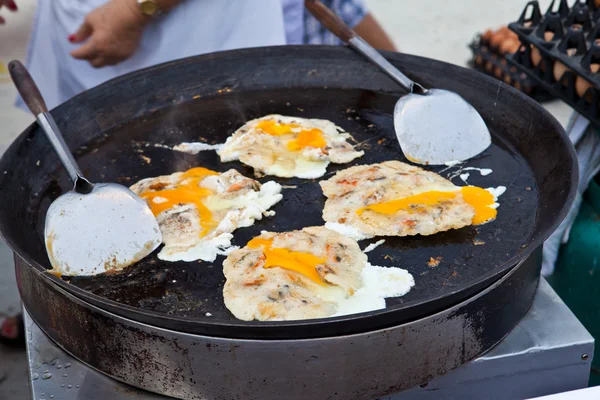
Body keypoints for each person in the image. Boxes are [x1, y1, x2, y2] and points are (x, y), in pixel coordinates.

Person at [0, 0, 396, 347]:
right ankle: (53, 302)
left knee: (220, 88)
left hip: (207, 24)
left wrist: (137, 8)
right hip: (85, 24)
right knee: (80, 130)